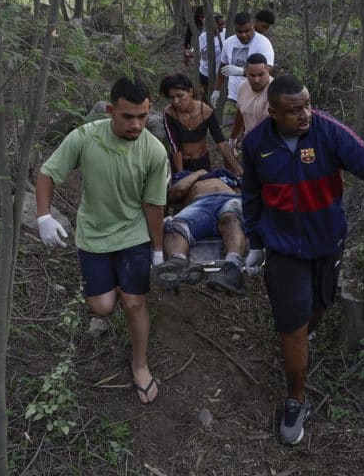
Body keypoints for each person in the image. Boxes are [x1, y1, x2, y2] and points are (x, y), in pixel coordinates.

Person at [241, 75, 364, 446]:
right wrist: (256, 242)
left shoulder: (328, 132)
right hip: (284, 249)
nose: (305, 114)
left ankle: (303, 334)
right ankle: (296, 400)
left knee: (319, 305)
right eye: (295, 110)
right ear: (272, 112)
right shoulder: (256, 144)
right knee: (293, 324)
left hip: (327, 243)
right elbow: (251, 194)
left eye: (308, 104)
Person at [36, 77, 170, 405]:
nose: (136, 124)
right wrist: (43, 216)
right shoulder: (86, 137)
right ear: (110, 110)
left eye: (143, 116)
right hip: (93, 232)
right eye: (128, 116)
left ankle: (140, 364)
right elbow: (48, 173)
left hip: (133, 233)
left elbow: (154, 205)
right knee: (102, 307)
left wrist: (157, 251)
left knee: (134, 302)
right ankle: (117, 287)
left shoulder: (154, 150)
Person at [154, 168, 247, 295]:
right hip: (201, 204)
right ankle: (177, 263)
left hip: (229, 199)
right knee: (175, 225)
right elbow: (177, 191)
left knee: (231, 217)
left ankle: (233, 268)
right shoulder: (185, 176)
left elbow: (244, 193)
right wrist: (198, 174)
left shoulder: (226, 175)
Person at [159, 73, 242, 175]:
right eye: (172, 98)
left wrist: (238, 168)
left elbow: (220, 141)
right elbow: (175, 146)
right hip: (180, 164)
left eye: (180, 96)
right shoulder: (170, 113)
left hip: (202, 163)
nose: (176, 101)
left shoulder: (206, 111)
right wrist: (181, 174)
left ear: (190, 92)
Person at [211, 12, 275, 113]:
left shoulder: (263, 43)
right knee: (228, 123)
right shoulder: (229, 43)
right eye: (239, 32)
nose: (243, 35)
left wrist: (242, 71)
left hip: (256, 98)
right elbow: (223, 67)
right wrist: (216, 90)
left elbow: (268, 69)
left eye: (247, 31)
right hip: (233, 97)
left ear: (253, 26)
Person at [229, 53, 273, 149]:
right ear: (246, 72)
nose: (256, 80)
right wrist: (233, 138)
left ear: (268, 70)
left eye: (261, 75)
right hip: (250, 144)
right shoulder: (242, 87)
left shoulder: (275, 91)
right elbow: (241, 113)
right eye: (252, 75)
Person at [196, 13, 226, 99]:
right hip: (206, 73)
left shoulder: (225, 32)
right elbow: (198, 52)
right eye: (220, 24)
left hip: (221, 73)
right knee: (204, 96)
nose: (223, 26)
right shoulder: (203, 37)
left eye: (223, 24)